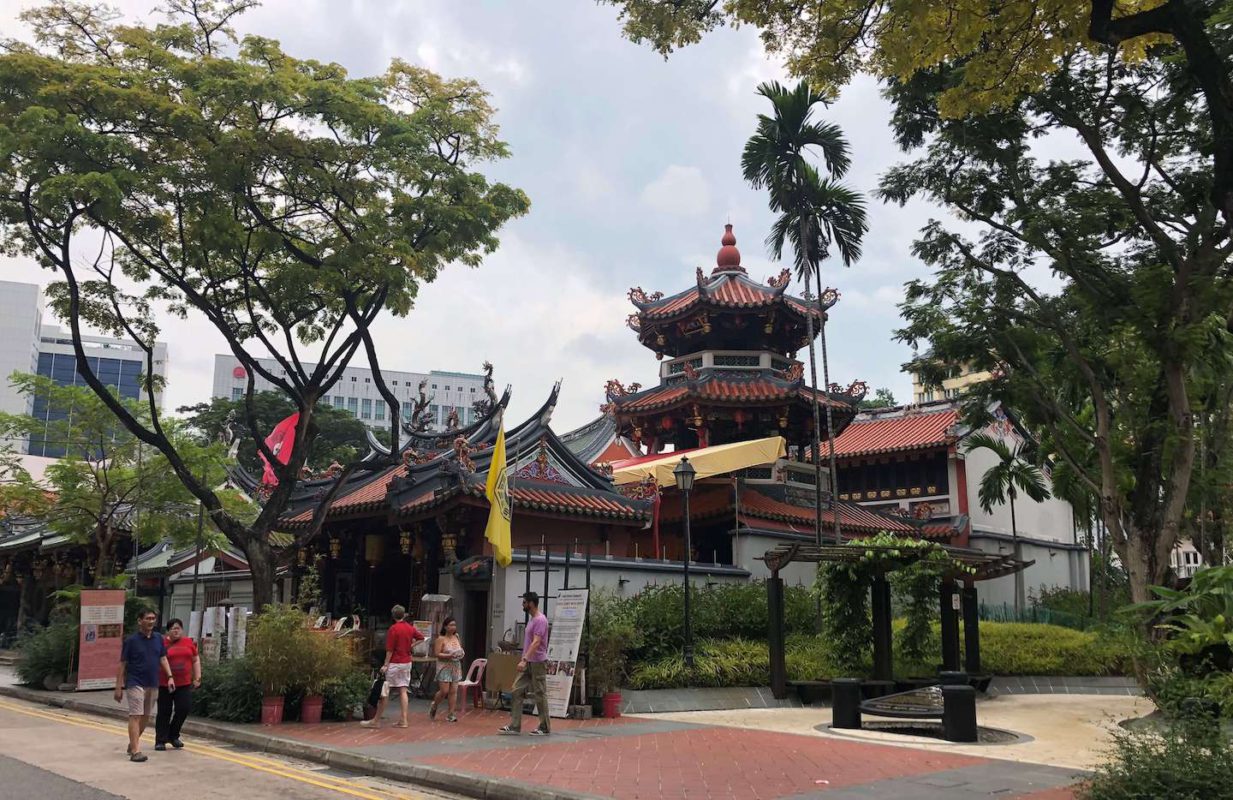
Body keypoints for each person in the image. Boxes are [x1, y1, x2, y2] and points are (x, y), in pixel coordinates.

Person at [114, 610, 173, 762]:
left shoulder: (159, 639)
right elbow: (122, 664)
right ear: (140, 621)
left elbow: (163, 658)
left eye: (153, 618)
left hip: (153, 682)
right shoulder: (131, 641)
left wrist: (170, 677)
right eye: (148, 618)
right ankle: (135, 751)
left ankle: (133, 743)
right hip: (135, 682)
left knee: (146, 717)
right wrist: (118, 686)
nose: (151, 621)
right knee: (136, 715)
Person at [360, 604, 423, 729]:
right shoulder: (409, 628)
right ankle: (404, 720)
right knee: (403, 690)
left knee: (385, 691)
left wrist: (385, 664)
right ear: (403, 614)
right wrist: (411, 646)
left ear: (393, 616)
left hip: (395, 662)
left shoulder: (393, 629)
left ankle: (376, 720)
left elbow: (389, 650)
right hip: (406, 662)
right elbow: (421, 638)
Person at [498, 591, 550, 736]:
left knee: (540, 693)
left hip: (537, 661)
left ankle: (544, 726)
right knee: (516, 690)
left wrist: (525, 659)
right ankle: (515, 725)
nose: (523, 605)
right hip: (528, 662)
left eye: (524, 602)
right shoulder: (532, 620)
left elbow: (536, 642)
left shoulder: (540, 620)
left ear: (531, 603)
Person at [155, 618, 201, 751]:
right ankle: (160, 740)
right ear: (168, 630)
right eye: (173, 628)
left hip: (184, 683)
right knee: (164, 711)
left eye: (178, 628)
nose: (176, 631)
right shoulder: (161, 643)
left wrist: (197, 677)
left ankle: (173, 735)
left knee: (183, 708)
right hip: (165, 683)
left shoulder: (188, 642)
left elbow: (195, 659)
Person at [429, 617, 464, 722]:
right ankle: (434, 705)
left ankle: (451, 714)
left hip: (455, 666)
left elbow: (459, 649)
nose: (453, 627)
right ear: (445, 626)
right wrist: (448, 655)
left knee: (453, 691)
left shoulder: (456, 636)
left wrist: (460, 654)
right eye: (451, 625)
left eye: (454, 625)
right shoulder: (441, 639)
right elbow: (437, 653)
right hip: (444, 666)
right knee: (444, 691)